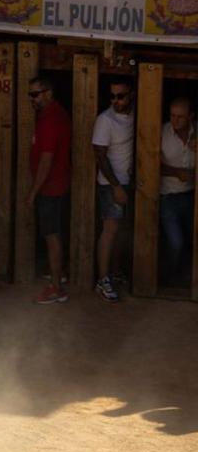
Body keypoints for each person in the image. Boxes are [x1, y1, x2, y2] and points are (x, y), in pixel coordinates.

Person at [25, 76, 71, 304]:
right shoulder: (50, 115)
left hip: (50, 188)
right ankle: (58, 275)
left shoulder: (51, 119)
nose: (31, 99)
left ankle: (56, 287)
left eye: (35, 94)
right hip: (53, 185)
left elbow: (46, 160)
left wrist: (33, 192)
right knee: (53, 234)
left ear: (48, 93)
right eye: (30, 95)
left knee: (52, 235)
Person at [92, 79, 136, 302]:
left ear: (132, 95)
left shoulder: (134, 115)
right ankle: (103, 279)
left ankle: (116, 272)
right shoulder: (105, 120)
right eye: (112, 96)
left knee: (122, 231)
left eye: (121, 96)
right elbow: (100, 156)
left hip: (128, 182)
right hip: (111, 184)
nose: (116, 101)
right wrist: (116, 186)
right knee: (109, 230)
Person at [159, 97, 195, 285]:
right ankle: (168, 279)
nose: (175, 120)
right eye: (172, 115)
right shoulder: (162, 132)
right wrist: (176, 172)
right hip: (169, 197)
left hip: (192, 198)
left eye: (181, 116)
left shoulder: (196, 133)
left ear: (190, 116)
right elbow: (149, 164)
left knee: (190, 240)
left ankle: (185, 277)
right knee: (175, 242)